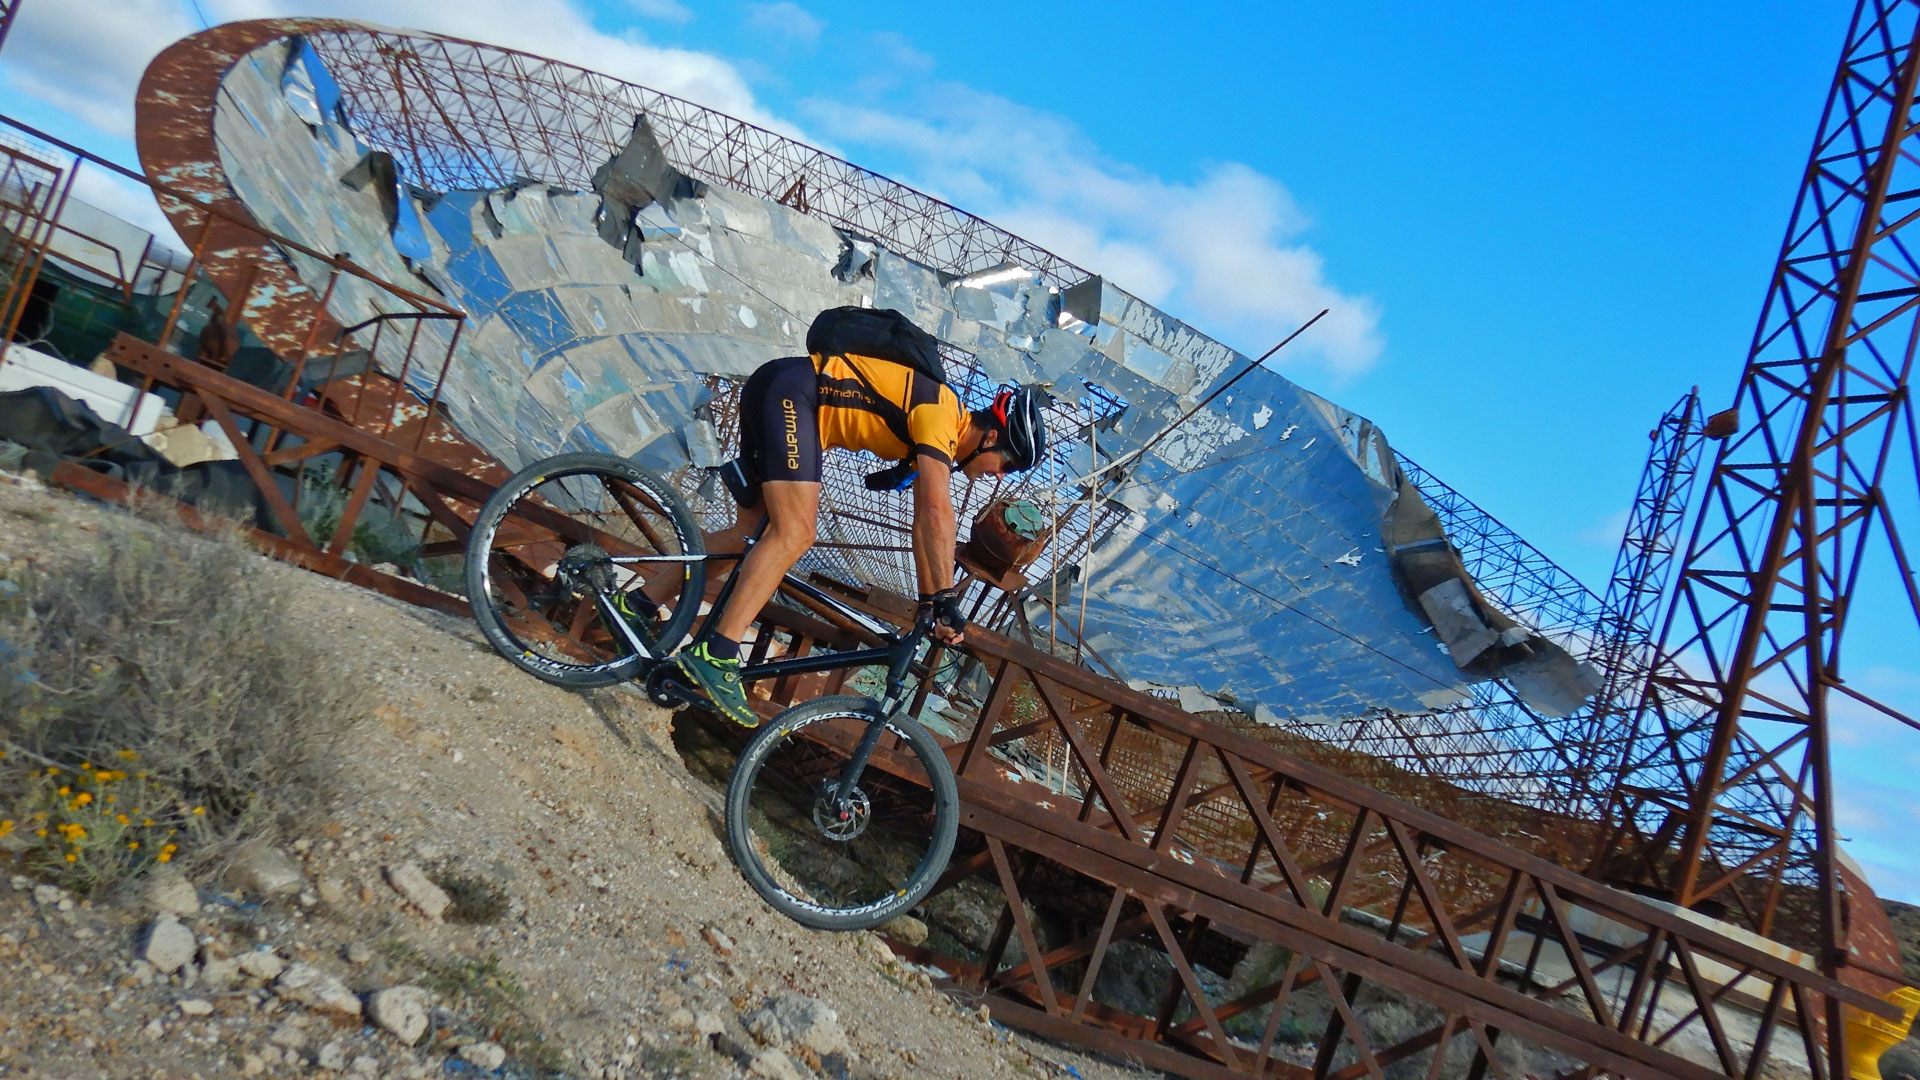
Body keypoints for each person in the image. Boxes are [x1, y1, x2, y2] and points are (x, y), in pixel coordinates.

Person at [674, 347, 1049, 727]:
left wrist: (933, 600)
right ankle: (717, 653)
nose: (1002, 476)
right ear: (991, 437)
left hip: (780, 388)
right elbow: (938, 513)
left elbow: (924, 525)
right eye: (1009, 464)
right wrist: (948, 599)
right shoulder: (943, 416)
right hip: (794, 396)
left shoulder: (940, 428)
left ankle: (639, 602)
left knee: (746, 535)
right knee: (796, 533)